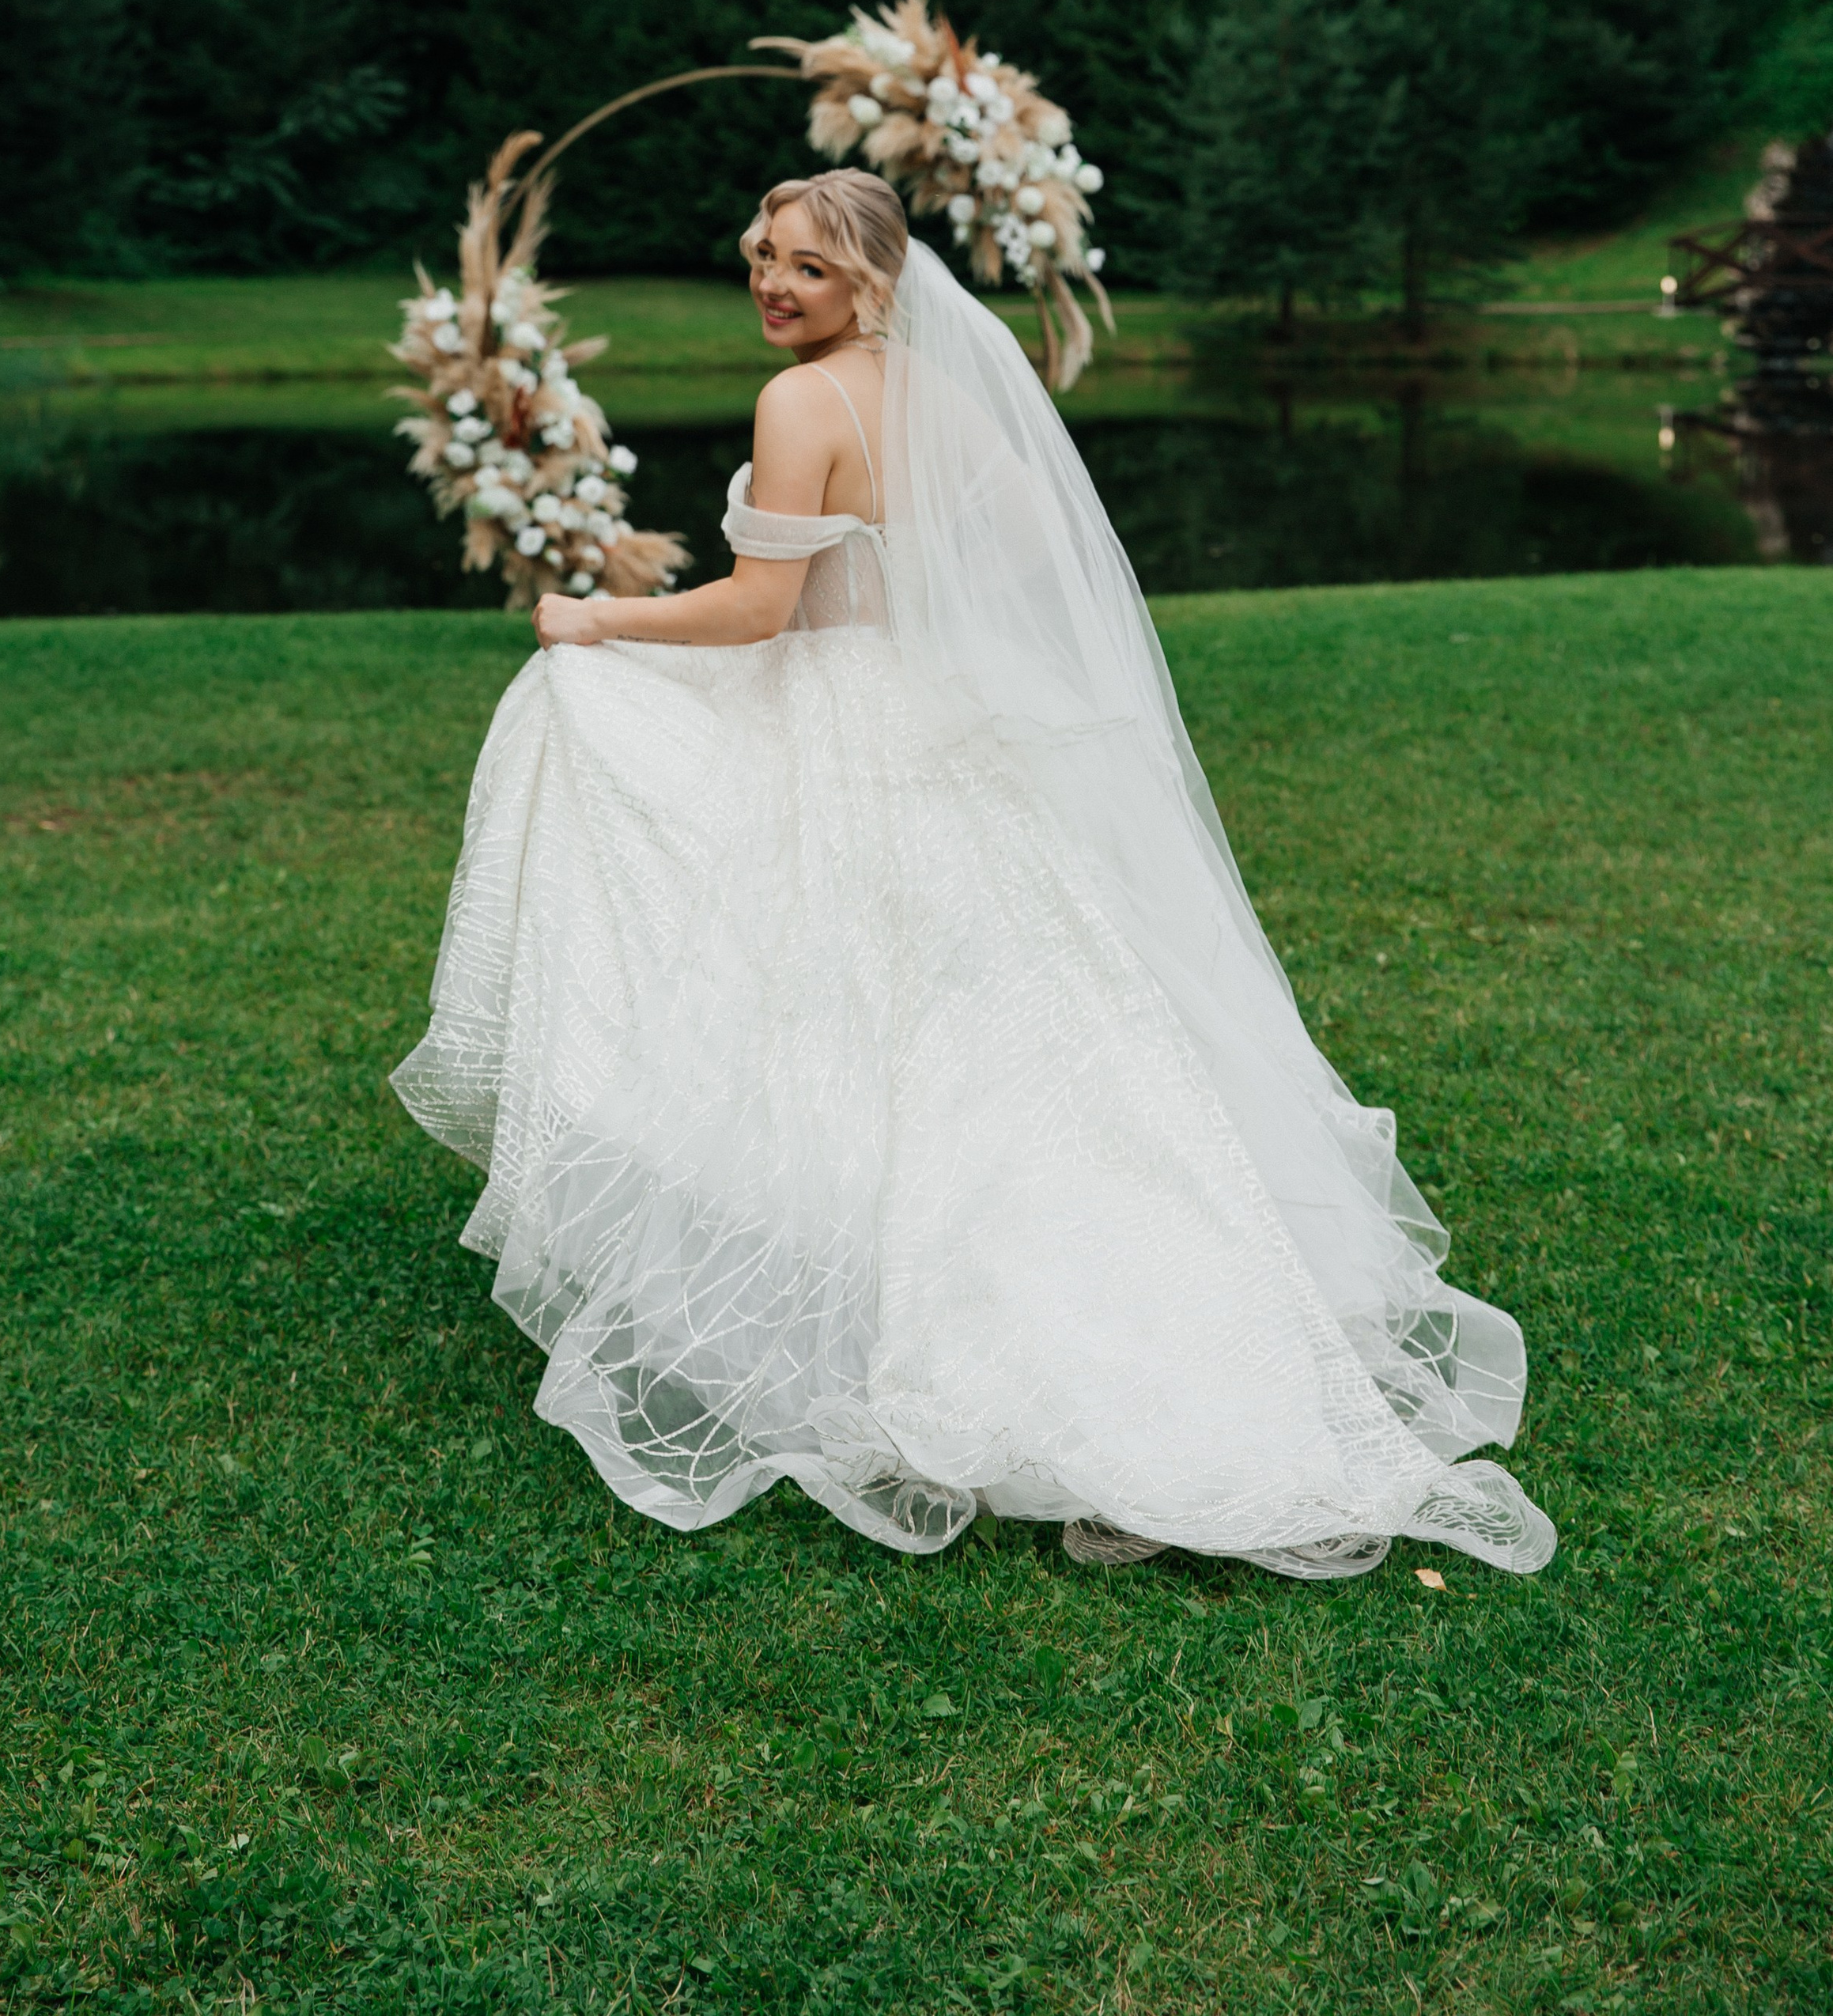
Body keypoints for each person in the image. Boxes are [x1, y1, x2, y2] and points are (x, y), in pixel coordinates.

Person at [391, 170, 1555, 1578]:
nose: (773, 285)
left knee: (853, 1021)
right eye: (763, 255)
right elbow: (1030, 553)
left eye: (807, 268)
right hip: (945, 731)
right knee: (1015, 1036)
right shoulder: (947, 396)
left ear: (870, 282)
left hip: (846, 736)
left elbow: (761, 609)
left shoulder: (799, 403)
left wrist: (597, 618)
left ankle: (954, 1331)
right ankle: (1124, 1325)